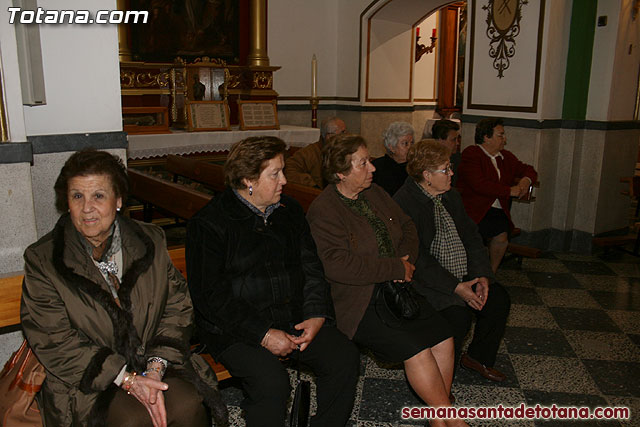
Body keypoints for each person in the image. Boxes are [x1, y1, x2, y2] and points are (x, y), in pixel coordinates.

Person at [20, 149, 227, 427]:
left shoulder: (150, 240)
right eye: (77, 196)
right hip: (88, 380)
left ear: (118, 200)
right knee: (132, 420)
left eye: (98, 196)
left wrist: (154, 370)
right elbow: (53, 340)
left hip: (156, 363)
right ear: (66, 202)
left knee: (189, 406)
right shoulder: (45, 260)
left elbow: (176, 306)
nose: (87, 208)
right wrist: (126, 378)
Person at [186, 136, 359, 426]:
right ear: (248, 179)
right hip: (234, 328)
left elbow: (311, 267)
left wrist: (317, 313)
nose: (284, 181)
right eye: (275, 173)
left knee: (343, 357)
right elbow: (211, 298)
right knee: (271, 382)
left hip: (290, 316)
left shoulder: (288, 211)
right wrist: (264, 334)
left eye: (283, 171)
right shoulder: (210, 223)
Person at [307, 134, 467, 427]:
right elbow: (338, 265)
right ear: (341, 173)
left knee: (443, 336)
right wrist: (394, 267)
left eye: (369, 160)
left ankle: (437, 418)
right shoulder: (325, 210)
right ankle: (452, 419)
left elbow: (407, 226)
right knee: (415, 347)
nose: (373, 168)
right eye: (363, 163)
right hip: (358, 301)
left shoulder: (374, 193)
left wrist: (404, 261)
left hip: (398, 288)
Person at [394, 140, 511, 383]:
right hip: (423, 280)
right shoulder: (405, 203)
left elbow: (470, 235)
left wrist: (481, 276)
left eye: (450, 167)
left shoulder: (451, 197)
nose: (451, 173)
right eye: (445, 169)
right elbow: (418, 258)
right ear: (427, 175)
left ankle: (478, 357)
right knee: (457, 315)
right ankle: (437, 382)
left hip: (458, 271)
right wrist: (456, 287)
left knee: (497, 299)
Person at [457, 118, 537, 273]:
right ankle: (470, 272)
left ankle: (490, 273)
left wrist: (525, 182)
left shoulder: (505, 157)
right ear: (486, 137)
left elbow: (529, 170)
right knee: (476, 235)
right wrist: (508, 191)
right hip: (474, 210)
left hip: (497, 211)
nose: (504, 139)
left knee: (501, 236)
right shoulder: (472, 154)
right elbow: (479, 184)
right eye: (501, 135)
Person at [285, 116, 347, 188]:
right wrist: (312, 185)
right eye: (342, 133)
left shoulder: (347, 149)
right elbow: (289, 170)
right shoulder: (310, 153)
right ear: (329, 136)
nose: (346, 136)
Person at [372, 121, 414, 196]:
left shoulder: (415, 167)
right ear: (391, 147)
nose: (410, 147)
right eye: (405, 143)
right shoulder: (376, 168)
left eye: (412, 143)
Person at [431, 119, 461, 186]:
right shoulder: (430, 161)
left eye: (457, 139)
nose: (457, 143)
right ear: (440, 140)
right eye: (453, 140)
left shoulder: (458, 159)